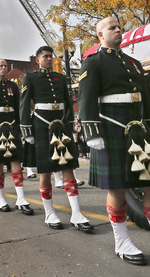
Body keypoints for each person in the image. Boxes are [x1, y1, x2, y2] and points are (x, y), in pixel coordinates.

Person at [79, 16, 150, 270]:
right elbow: (86, 97)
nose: (118, 30)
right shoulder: (93, 61)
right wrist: (92, 132)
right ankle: (121, 242)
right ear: (100, 35)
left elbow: (143, 97)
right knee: (117, 188)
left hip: (138, 130)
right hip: (111, 128)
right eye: (112, 28)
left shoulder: (132, 63)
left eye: (119, 27)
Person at [21, 46, 92, 232]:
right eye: (45, 56)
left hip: (61, 126)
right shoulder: (30, 78)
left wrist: (68, 123)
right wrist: (27, 131)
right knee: (45, 171)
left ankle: (76, 213)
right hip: (41, 125)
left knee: (68, 166)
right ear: (37, 60)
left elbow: (68, 103)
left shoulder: (61, 78)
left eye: (50, 56)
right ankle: (49, 212)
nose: (49, 59)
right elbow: (24, 104)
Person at [0, 59, 33, 215]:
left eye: (4, 66)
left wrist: (21, 126)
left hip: (11, 124)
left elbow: (18, 107)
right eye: (0, 66)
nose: (3, 68)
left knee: (16, 160)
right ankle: (1, 199)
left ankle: (21, 198)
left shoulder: (13, 86)